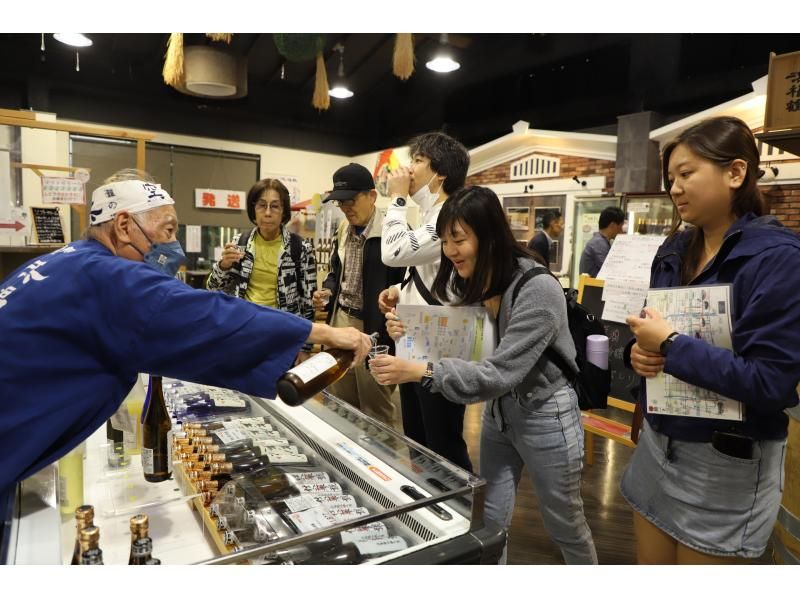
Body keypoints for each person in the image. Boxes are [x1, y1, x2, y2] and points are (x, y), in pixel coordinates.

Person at [0, 170, 371, 515]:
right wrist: (321, 333)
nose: (173, 244)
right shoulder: (109, 274)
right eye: (167, 230)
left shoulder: (64, 261)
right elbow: (210, 313)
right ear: (125, 225)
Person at [371, 186, 598, 564]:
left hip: (546, 415)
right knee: (489, 521)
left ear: (490, 234)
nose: (449, 252)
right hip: (499, 415)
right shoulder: (471, 278)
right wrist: (404, 323)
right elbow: (451, 333)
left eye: (458, 240)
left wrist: (418, 369)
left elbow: (498, 372)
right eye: (444, 241)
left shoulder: (538, 289)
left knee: (565, 524)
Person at [622, 116, 800, 564]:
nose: (674, 188)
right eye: (671, 179)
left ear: (736, 173)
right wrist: (639, 353)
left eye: (686, 174)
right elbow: (655, 333)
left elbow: (771, 384)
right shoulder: (674, 250)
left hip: (725, 464)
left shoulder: (777, 260)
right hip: (658, 446)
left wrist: (670, 345)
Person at [378, 131, 472, 471]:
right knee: (418, 439)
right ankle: (431, 511)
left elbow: (393, 252)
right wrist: (399, 292)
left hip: (441, 346)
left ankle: (460, 513)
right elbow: (432, 274)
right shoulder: (433, 214)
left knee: (443, 444)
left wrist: (398, 199)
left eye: (418, 161)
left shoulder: (451, 214)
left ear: (440, 173)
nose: (409, 168)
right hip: (416, 339)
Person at [311, 163, 406, 428]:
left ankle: (379, 467)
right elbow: (335, 271)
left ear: (372, 196)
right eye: (340, 203)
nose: (346, 208)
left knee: (376, 408)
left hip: (375, 329)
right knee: (340, 402)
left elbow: (403, 286)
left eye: (351, 200)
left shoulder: (393, 231)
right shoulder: (342, 229)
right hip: (341, 321)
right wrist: (328, 290)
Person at [207, 178, 317, 362]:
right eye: (261, 205)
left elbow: (308, 301)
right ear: (253, 209)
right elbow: (213, 289)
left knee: (280, 388)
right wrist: (223, 266)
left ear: (283, 212)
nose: (267, 213)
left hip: (283, 334)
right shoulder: (239, 243)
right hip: (244, 331)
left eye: (275, 206)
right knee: (241, 388)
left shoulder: (300, 248)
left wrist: (305, 346)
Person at [578, 206, 625, 278]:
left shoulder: (601, 241)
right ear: (612, 225)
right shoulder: (598, 243)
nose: (622, 231)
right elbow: (612, 271)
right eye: (621, 226)